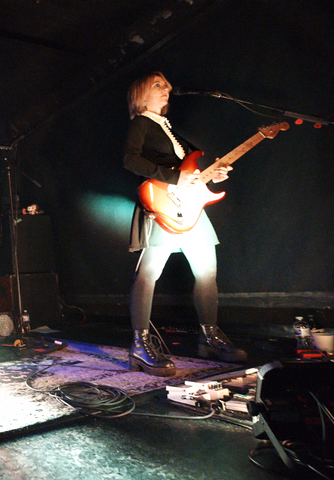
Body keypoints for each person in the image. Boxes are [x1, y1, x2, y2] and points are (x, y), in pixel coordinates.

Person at [123, 71, 246, 377]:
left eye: (166, 86)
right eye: (158, 86)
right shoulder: (141, 123)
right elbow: (130, 160)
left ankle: (210, 336)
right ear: (141, 94)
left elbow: (191, 168)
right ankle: (140, 343)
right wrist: (176, 177)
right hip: (162, 205)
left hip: (190, 207)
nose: (166, 90)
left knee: (207, 272)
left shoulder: (169, 130)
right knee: (148, 274)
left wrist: (213, 175)